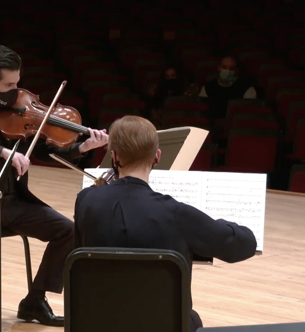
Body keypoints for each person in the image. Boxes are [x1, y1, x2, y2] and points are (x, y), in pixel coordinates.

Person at [0, 45, 109, 332]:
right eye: (9, 85)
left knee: (67, 231)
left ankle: (34, 300)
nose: (15, 91)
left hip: (12, 201)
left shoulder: (18, 112)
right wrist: (1, 152)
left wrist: (83, 146)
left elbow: (46, 149)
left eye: (17, 83)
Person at [73, 115, 257, 332]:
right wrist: (218, 223)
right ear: (157, 156)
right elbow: (244, 245)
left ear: (114, 156)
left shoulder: (85, 201)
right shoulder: (176, 214)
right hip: (161, 326)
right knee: (192, 319)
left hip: (97, 323)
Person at [199, 55, 257, 121]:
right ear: (219, 68)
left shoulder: (247, 89)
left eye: (231, 69)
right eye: (224, 67)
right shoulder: (208, 87)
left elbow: (248, 114)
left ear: (236, 70)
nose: (227, 71)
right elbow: (202, 111)